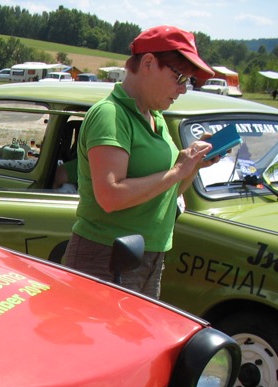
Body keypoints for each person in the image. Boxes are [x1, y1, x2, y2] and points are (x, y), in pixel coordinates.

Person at [62, 26, 216, 298]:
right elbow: (111, 196)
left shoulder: (155, 116)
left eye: (188, 81)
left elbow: (166, 192)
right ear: (147, 63)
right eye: (178, 76)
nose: (182, 89)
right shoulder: (111, 115)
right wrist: (177, 170)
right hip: (106, 255)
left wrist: (190, 168)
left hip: (148, 255)